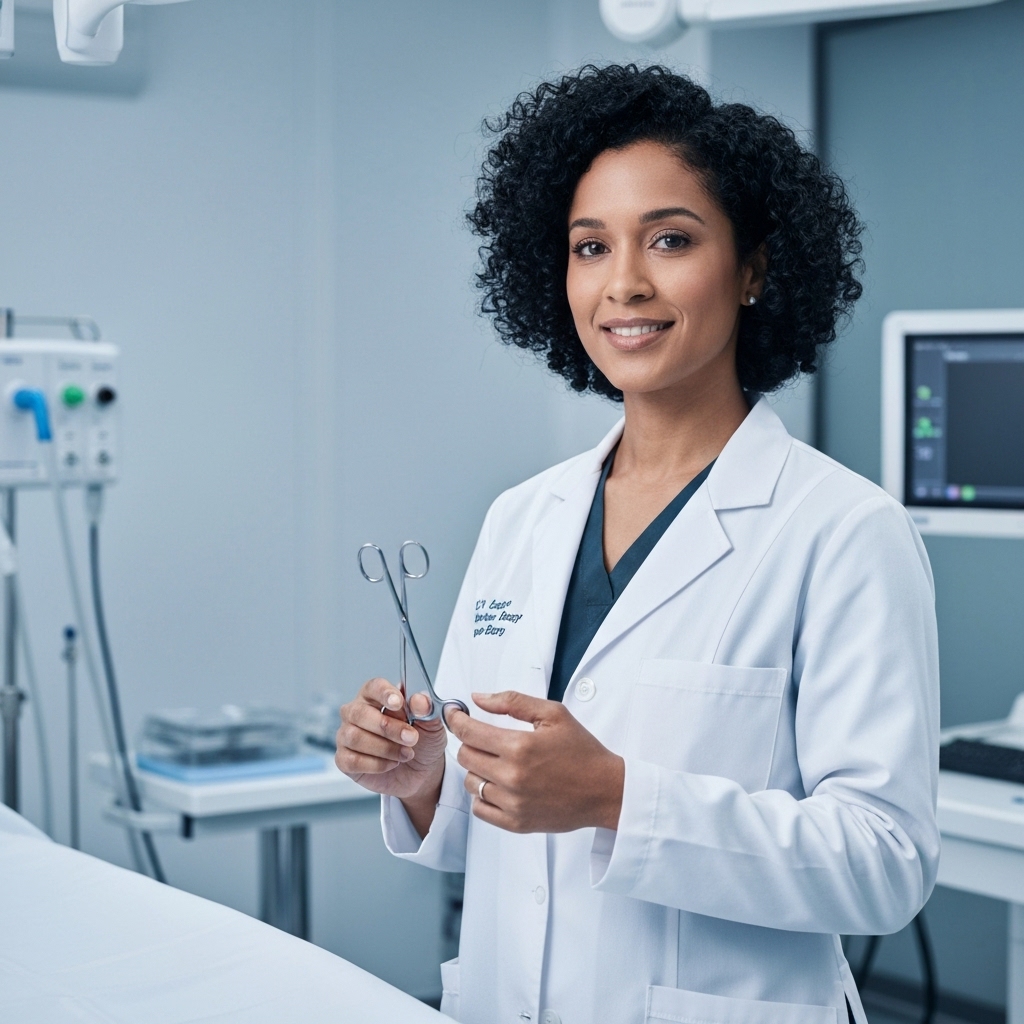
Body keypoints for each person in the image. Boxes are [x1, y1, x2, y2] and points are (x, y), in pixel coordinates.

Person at [336, 64, 939, 1024]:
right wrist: (424, 780)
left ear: (754, 268)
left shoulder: (843, 530)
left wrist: (619, 798)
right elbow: (489, 820)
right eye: (590, 247)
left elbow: (885, 864)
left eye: (671, 239)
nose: (624, 283)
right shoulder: (522, 516)